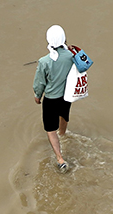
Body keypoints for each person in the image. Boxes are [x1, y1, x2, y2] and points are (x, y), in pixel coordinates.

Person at [33, 25, 75, 172]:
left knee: (50, 129)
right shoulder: (71, 56)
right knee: (64, 116)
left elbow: (39, 83)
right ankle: (63, 134)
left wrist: (37, 96)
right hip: (67, 96)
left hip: (51, 99)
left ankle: (60, 158)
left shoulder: (44, 61)